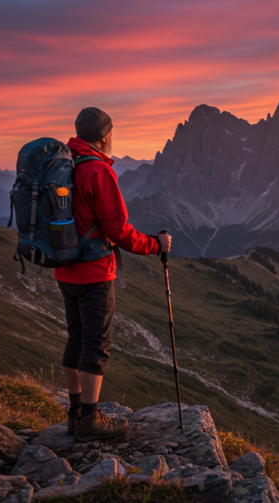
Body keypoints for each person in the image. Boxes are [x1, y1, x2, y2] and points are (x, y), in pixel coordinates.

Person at [56, 106, 172, 442]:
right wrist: (156, 244)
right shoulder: (98, 171)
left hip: (64, 268)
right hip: (93, 271)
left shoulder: (65, 163)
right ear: (106, 136)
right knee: (96, 344)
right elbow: (119, 230)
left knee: (75, 338)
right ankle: (90, 420)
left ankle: (75, 413)